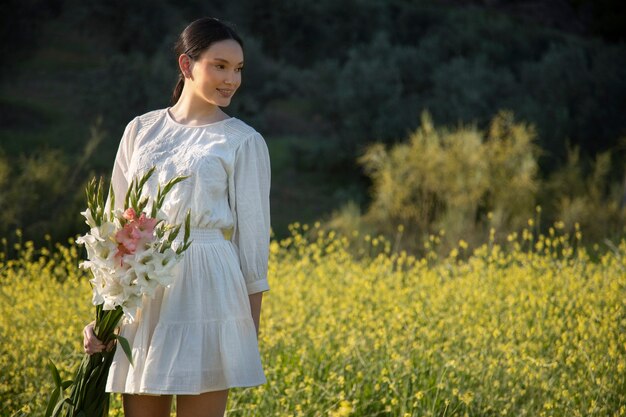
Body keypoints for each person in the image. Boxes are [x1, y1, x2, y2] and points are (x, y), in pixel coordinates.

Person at [82, 17, 271, 417]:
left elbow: (253, 250)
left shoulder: (243, 141)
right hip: (142, 293)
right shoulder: (140, 130)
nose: (232, 79)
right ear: (187, 65)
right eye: (219, 65)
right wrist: (101, 315)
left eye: (238, 69)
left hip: (210, 292)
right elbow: (112, 232)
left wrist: (245, 336)